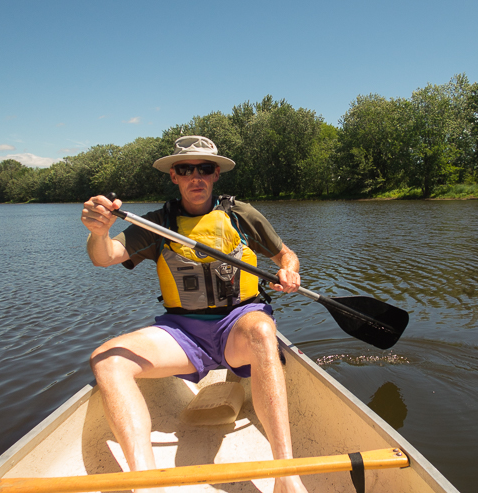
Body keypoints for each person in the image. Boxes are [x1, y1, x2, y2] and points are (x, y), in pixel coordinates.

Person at [81, 135, 308, 493]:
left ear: (216, 174)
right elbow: (104, 256)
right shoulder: (157, 223)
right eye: (186, 169)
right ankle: (144, 482)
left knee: (264, 331)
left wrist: (289, 271)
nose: (195, 177)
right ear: (174, 176)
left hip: (239, 326)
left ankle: (285, 474)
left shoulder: (241, 215)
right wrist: (98, 232)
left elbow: (285, 255)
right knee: (107, 360)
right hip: (183, 333)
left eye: (204, 169)